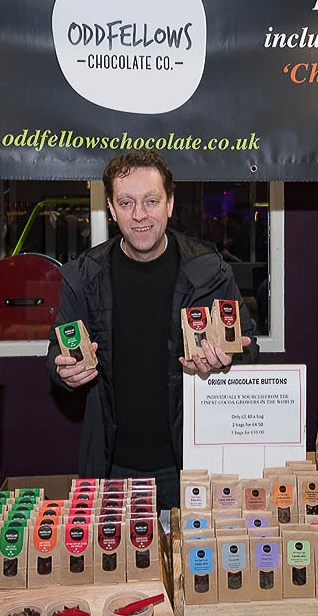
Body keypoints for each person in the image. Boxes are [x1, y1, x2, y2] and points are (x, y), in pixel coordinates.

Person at [47, 149, 259, 510]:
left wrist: (228, 359)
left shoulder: (209, 272)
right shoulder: (83, 277)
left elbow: (249, 348)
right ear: (111, 209)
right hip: (111, 465)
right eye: (126, 203)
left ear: (170, 204)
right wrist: (64, 371)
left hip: (191, 465)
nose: (139, 215)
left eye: (151, 201)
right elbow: (57, 351)